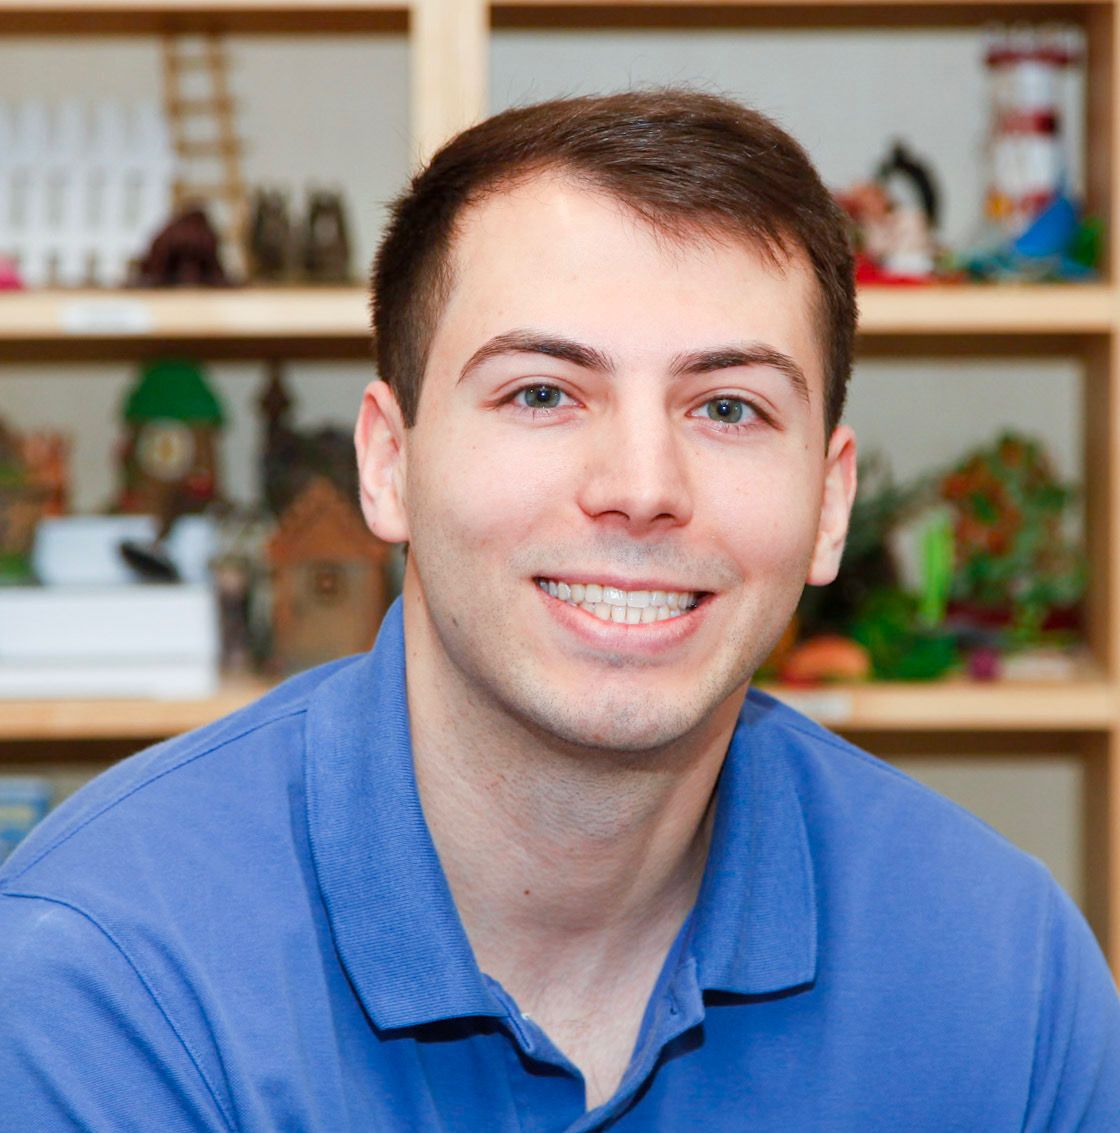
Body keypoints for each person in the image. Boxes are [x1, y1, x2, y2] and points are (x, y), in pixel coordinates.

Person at [2, 89, 1118, 1131]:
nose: (641, 484)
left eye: (729, 407)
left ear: (829, 505)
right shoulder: (104, 981)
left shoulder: (1008, 978)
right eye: (542, 392)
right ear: (388, 464)